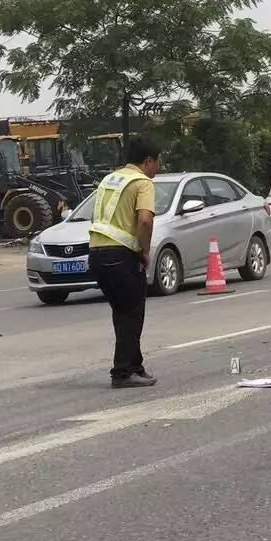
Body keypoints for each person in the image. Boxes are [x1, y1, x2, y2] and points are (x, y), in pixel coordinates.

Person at [88, 136, 162, 387]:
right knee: (131, 313)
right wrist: (144, 251)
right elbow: (145, 221)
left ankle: (134, 366)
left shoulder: (110, 179)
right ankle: (121, 373)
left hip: (97, 254)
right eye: (157, 163)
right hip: (121, 255)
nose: (158, 169)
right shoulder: (143, 183)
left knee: (124, 312)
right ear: (148, 161)